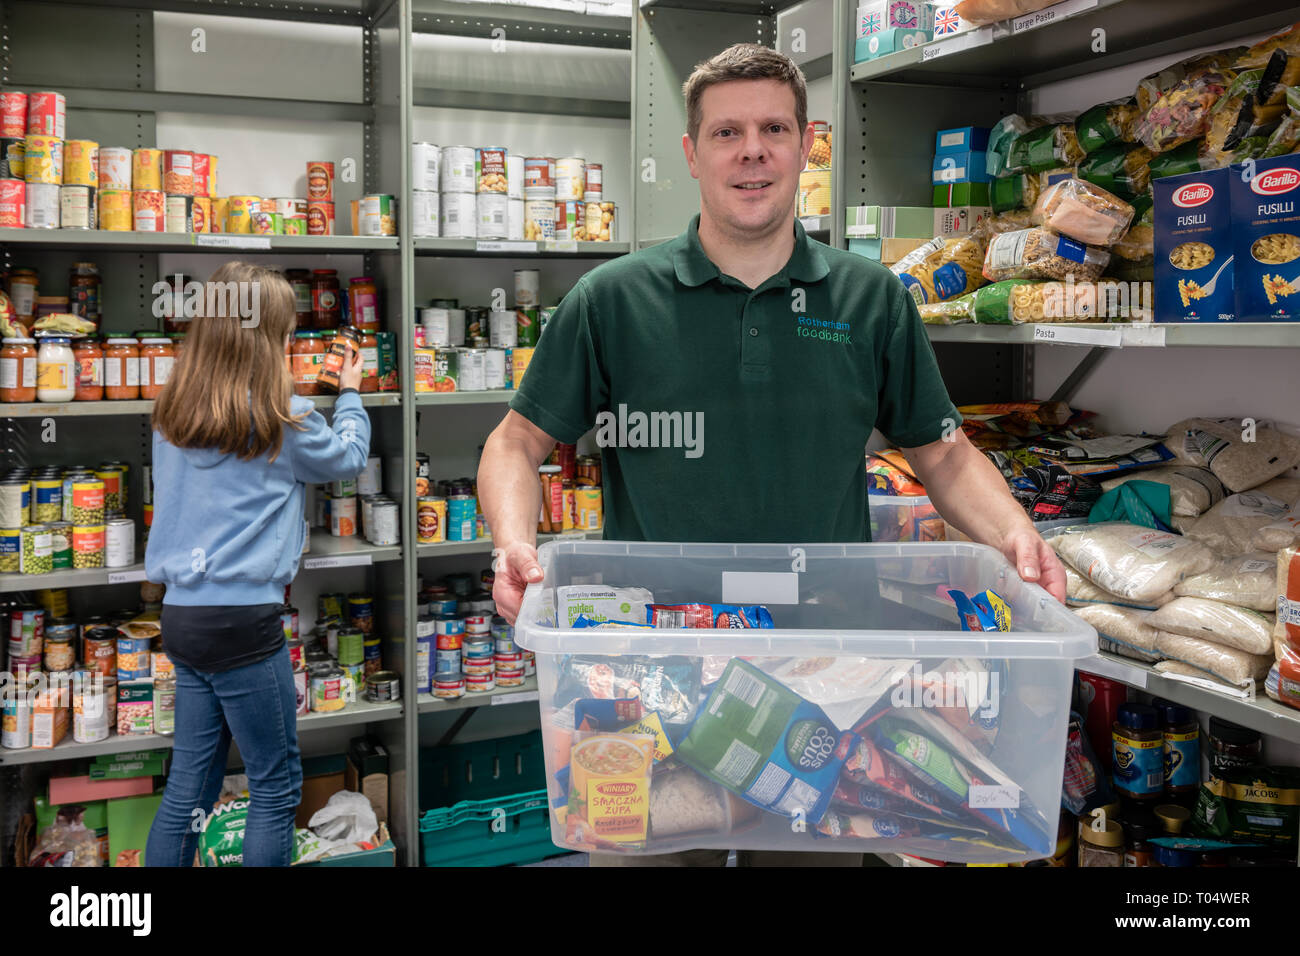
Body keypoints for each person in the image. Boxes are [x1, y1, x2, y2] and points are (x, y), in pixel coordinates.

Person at [477, 44, 1066, 867]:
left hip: (825, 676)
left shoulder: (870, 299)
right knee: (643, 856)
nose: (751, 150)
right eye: (726, 132)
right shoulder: (612, 299)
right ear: (691, 153)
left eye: (772, 128)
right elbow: (517, 440)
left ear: (805, 145)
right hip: (650, 666)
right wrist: (514, 542)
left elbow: (944, 454)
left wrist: (1015, 538)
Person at [144, 262, 370, 867]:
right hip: (244, 624)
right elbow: (347, 457)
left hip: (184, 620)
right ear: (269, 339)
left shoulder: (173, 415)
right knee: (275, 788)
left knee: (188, 788)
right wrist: (349, 391)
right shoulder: (281, 416)